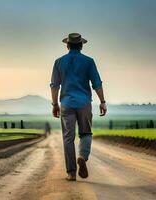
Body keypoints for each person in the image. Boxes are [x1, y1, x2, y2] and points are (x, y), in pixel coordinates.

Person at [50, 33, 107, 181]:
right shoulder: (89, 61)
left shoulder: (59, 62)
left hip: (67, 104)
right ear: (81, 45)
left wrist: (55, 104)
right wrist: (102, 101)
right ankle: (82, 156)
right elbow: (97, 83)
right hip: (84, 103)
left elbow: (55, 85)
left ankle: (71, 173)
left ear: (67, 45)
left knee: (68, 138)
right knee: (86, 133)